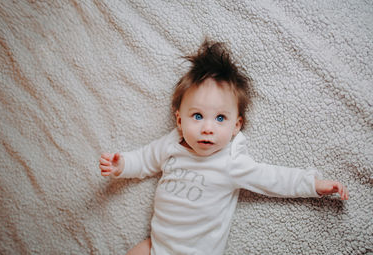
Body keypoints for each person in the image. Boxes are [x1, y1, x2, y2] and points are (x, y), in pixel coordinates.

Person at [99, 40, 349, 255]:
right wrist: (122, 165)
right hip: (157, 245)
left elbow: (273, 179)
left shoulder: (231, 162)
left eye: (220, 118)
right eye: (197, 116)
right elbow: (145, 160)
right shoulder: (172, 143)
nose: (207, 128)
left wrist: (314, 184)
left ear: (236, 126)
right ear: (179, 120)